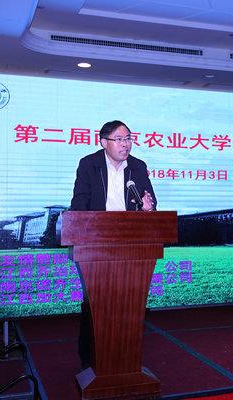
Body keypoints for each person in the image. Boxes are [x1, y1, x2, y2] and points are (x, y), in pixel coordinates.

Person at [69, 120, 157, 371]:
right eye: (118, 139)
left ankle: (126, 361)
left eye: (128, 138)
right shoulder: (89, 164)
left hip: (131, 245)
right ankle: (90, 361)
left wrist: (148, 208)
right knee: (95, 305)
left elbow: (150, 202)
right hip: (96, 244)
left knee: (130, 304)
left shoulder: (138, 167)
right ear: (103, 142)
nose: (125, 144)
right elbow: (79, 203)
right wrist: (85, 233)